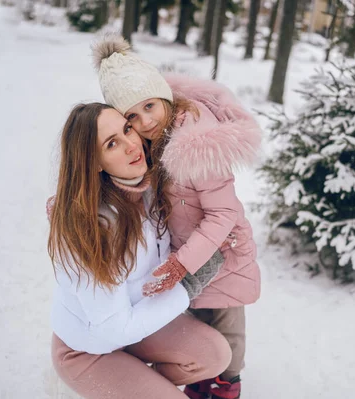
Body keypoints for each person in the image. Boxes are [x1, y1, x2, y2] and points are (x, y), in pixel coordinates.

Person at [92, 35, 262, 399]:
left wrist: (183, 262)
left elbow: (223, 212)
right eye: (132, 117)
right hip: (190, 251)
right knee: (197, 320)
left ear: (164, 96)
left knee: (227, 322)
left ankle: (227, 383)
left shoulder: (195, 143)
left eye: (150, 106)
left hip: (223, 253)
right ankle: (204, 376)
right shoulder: (153, 141)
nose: (145, 120)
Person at [47, 102, 231, 399]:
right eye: (112, 143)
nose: (132, 145)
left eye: (127, 129)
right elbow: (115, 329)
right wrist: (190, 283)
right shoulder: (90, 228)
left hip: (137, 325)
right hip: (88, 348)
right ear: (93, 162)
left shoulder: (147, 187)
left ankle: (136, 381)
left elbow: (164, 103)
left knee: (215, 354)